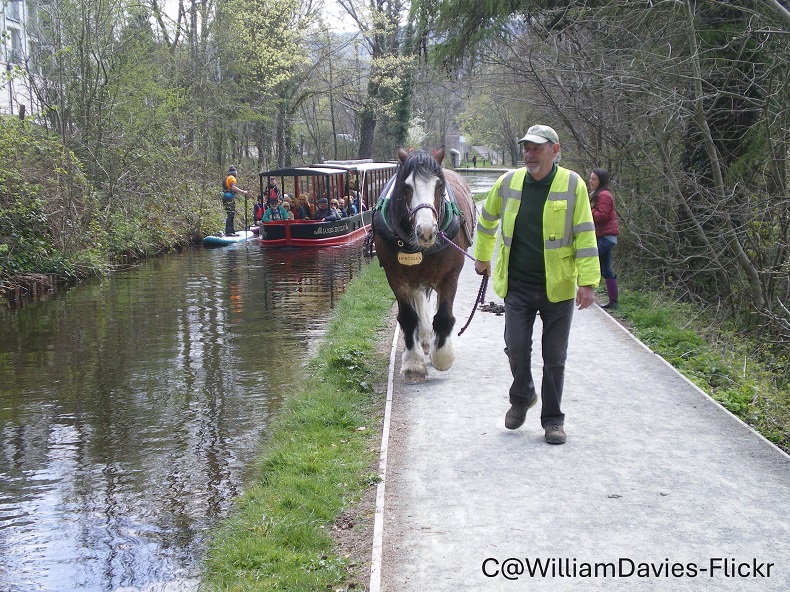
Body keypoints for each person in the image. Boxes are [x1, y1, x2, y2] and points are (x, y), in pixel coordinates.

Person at [473, 125, 600, 445]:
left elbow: (585, 233)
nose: (529, 154)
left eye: (536, 148)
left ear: (555, 150)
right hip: (517, 284)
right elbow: (486, 220)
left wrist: (588, 282)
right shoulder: (509, 182)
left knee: (554, 357)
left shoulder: (573, 185)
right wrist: (482, 256)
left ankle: (553, 420)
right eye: (526, 148)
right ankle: (522, 395)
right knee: (515, 345)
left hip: (557, 287)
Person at [589, 168, 619, 309]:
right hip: (604, 237)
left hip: (606, 238)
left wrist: (587, 209)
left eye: (594, 179)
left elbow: (602, 215)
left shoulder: (604, 195)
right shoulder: (597, 194)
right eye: (590, 178)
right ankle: (613, 301)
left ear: (601, 180)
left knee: (588, 261)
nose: (591, 181)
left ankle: (582, 294)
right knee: (605, 270)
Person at [222, 165, 248, 235]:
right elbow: (233, 187)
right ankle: (229, 231)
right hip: (229, 197)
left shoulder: (226, 178)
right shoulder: (232, 178)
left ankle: (231, 230)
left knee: (230, 213)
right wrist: (243, 192)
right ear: (234, 173)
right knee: (231, 214)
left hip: (225, 196)